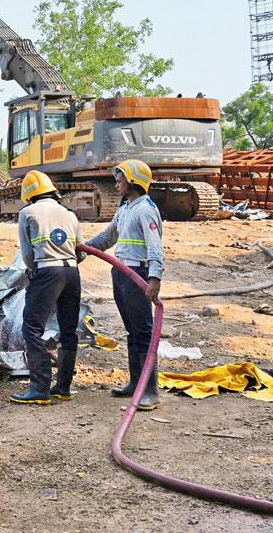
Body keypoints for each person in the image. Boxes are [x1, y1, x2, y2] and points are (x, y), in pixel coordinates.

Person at [85, 159, 164, 411]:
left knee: (143, 332)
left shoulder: (146, 209)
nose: (117, 183)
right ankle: (135, 384)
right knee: (132, 330)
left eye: (121, 179)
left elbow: (154, 246)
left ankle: (150, 391)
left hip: (138, 274)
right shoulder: (126, 208)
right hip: (121, 273)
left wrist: (154, 277)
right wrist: (84, 249)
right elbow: (108, 237)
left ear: (134, 181)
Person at [10, 170, 83, 405]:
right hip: (72, 272)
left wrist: (35, 273)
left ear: (29, 195)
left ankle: (39, 388)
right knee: (68, 329)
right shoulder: (69, 214)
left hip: (47, 271)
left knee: (32, 327)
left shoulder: (27, 213)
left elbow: (27, 254)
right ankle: (63, 387)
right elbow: (80, 251)